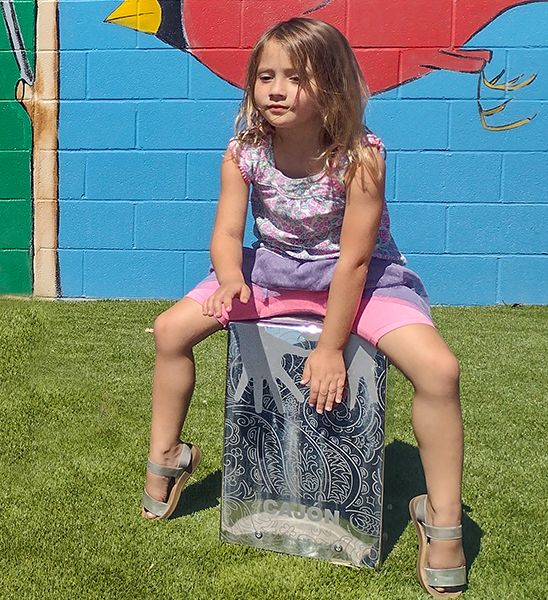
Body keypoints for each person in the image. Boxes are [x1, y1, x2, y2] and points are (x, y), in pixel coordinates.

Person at [141, 17, 466, 598]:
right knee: (170, 331)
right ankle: (167, 457)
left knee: (440, 371)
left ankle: (441, 519)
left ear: (334, 87)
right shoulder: (245, 152)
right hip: (269, 272)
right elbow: (225, 232)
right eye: (266, 76)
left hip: (361, 282)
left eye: (295, 77)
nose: (276, 89)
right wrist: (232, 278)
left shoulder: (360, 157)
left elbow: (354, 264)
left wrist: (331, 347)